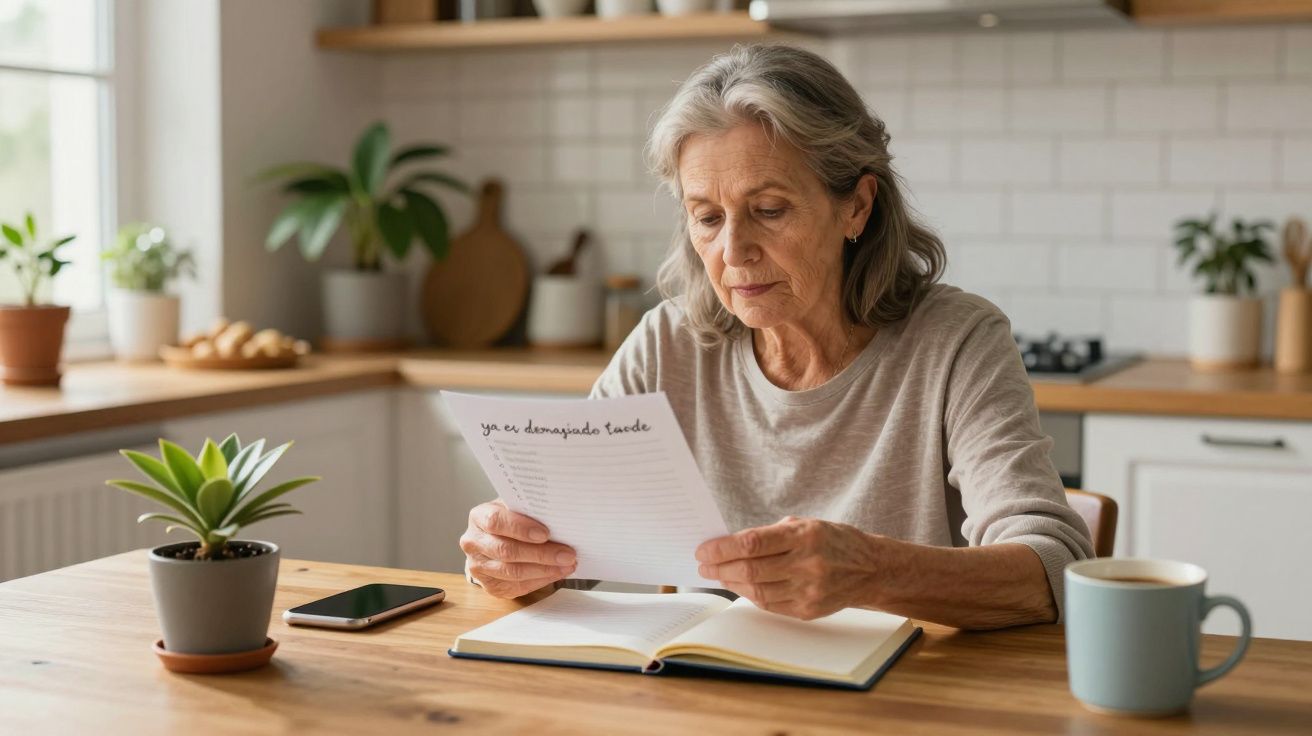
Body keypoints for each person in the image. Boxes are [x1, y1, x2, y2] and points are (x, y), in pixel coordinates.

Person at [460, 44, 1093, 630]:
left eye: (769, 210)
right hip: (705, 698)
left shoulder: (957, 343)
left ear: (857, 207)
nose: (733, 251)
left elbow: (1052, 571)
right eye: (706, 217)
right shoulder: (666, 345)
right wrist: (513, 560)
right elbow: (572, 555)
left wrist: (872, 571)